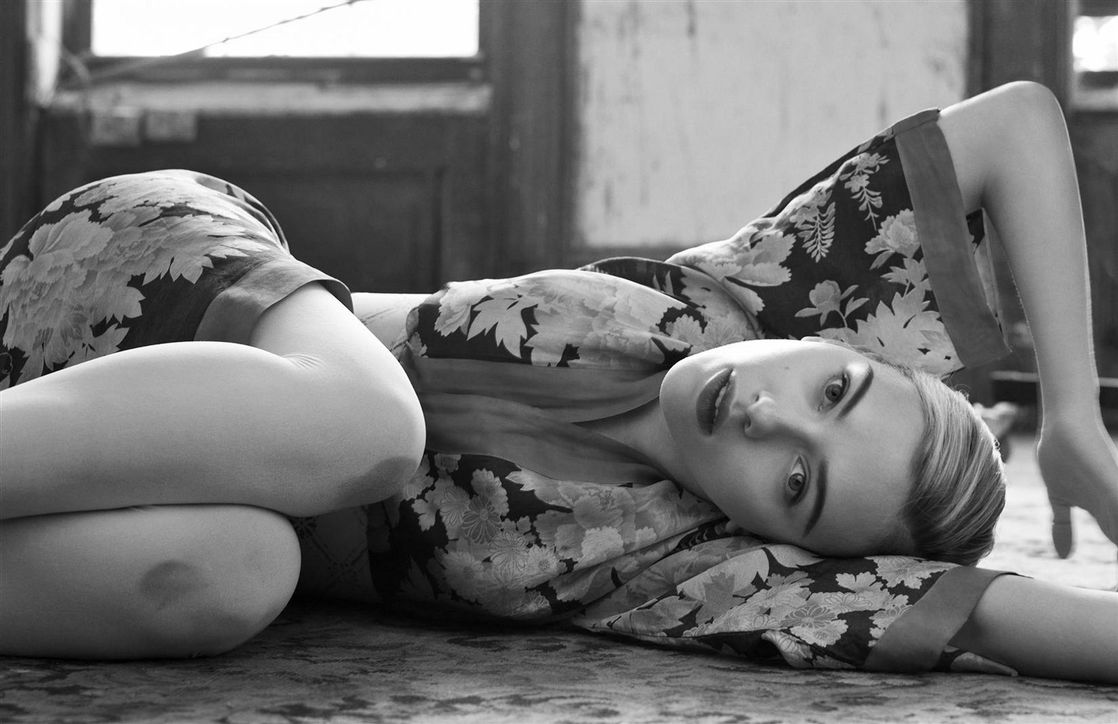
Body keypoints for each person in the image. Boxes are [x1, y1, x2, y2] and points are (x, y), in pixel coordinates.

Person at [1, 81, 1116, 681]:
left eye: (796, 483)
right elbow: (1014, 124)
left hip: (105, 473)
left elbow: (997, 617)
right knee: (370, 428)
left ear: (785, 547)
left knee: (233, 577)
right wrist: (1072, 417)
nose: (766, 415)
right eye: (832, 392)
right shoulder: (747, 294)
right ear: (846, 339)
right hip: (144, 280)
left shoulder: (691, 573)